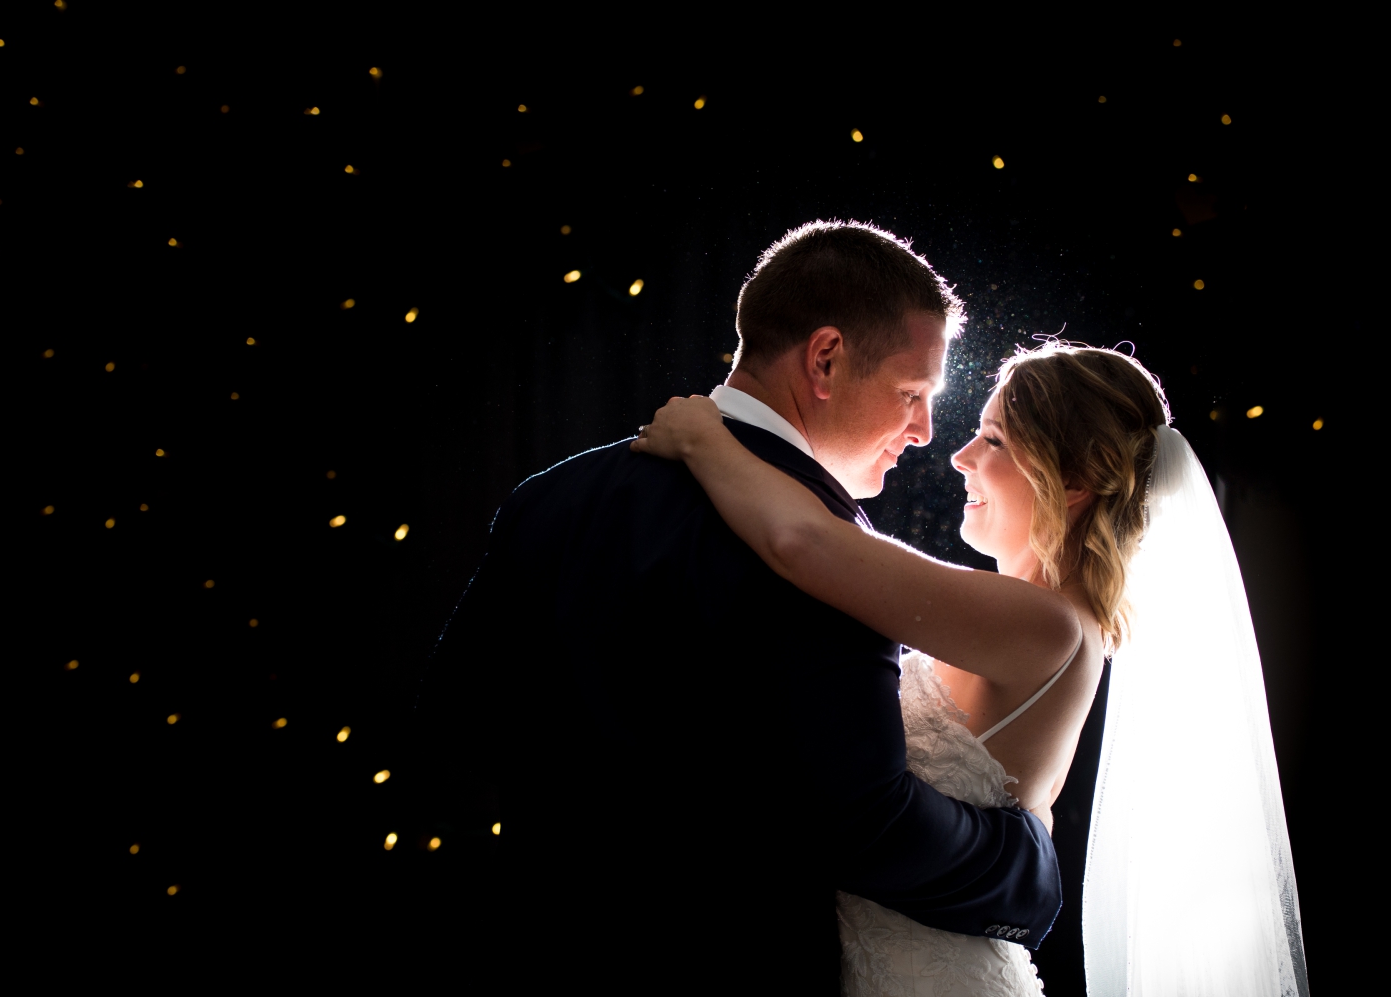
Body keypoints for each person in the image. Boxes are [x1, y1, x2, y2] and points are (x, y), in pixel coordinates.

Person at [416, 221, 1063, 993]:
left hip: (539, 954)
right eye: (912, 393)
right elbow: (865, 826)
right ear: (824, 359)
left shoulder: (551, 495)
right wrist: (1026, 870)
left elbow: (456, 719)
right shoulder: (837, 556)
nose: (923, 430)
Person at [633, 341, 1309, 995]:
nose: (959, 456)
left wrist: (705, 440)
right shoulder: (1033, 620)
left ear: (1072, 480)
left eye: (993, 441)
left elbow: (806, 542)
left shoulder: (1047, 623)